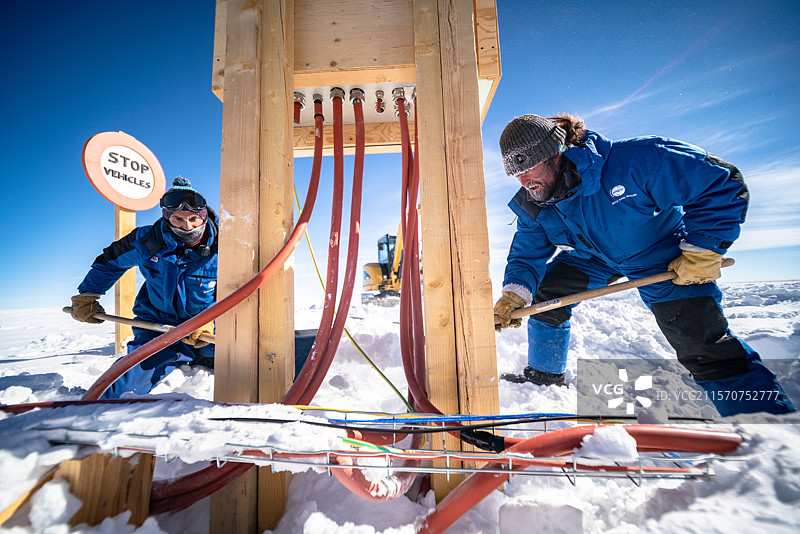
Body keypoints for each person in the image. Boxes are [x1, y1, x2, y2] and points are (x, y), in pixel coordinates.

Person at [492, 113, 795, 417]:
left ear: (555, 152)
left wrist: (703, 250)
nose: (523, 180)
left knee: (702, 345)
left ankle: (765, 423)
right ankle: (545, 378)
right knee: (547, 296)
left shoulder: (635, 161)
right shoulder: (536, 199)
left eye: (529, 166)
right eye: (515, 173)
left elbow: (722, 182)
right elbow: (527, 252)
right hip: (594, 258)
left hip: (658, 255)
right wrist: (515, 293)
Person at [70, 177, 217, 398]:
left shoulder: (226, 244)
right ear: (166, 217)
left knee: (273, 358)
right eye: (178, 219)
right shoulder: (147, 240)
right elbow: (109, 263)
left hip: (209, 333)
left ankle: (202, 356)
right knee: (118, 390)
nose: (187, 226)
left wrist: (212, 322)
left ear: (203, 215)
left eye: (194, 219)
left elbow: (246, 291)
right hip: (158, 329)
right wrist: (88, 296)